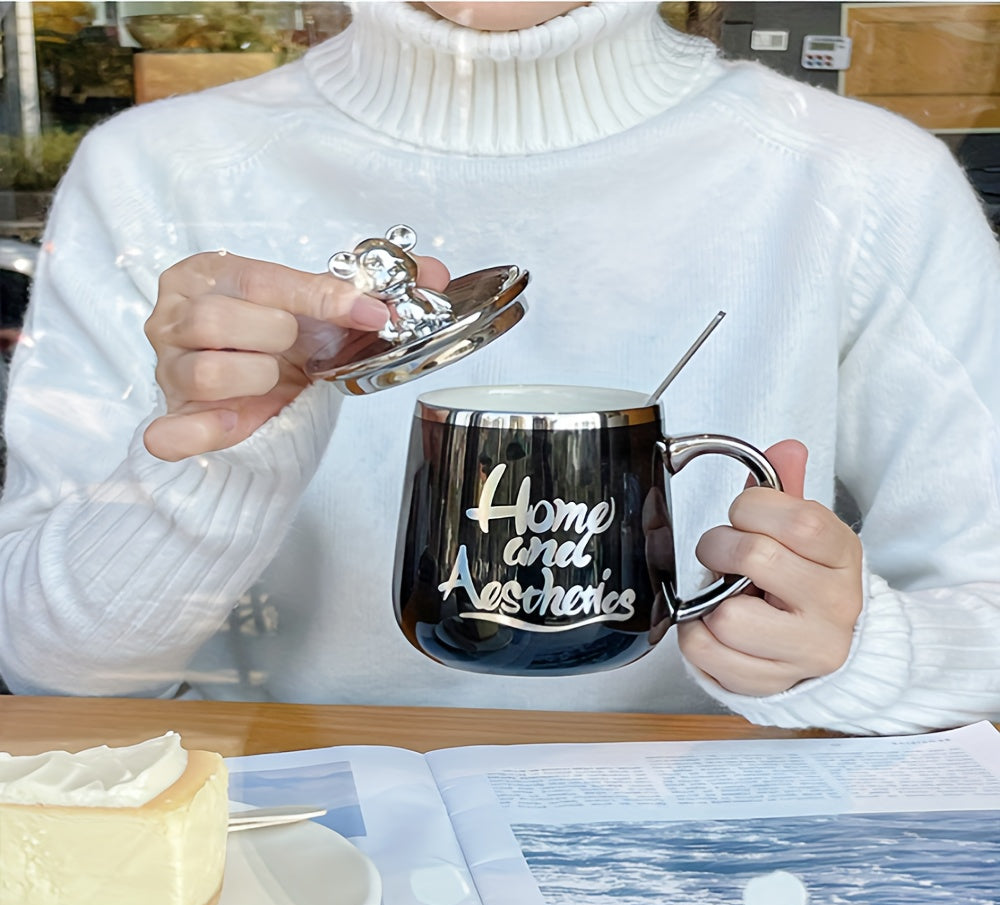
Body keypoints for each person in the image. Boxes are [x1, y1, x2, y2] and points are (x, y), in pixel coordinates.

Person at [0, 1, 997, 735]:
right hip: (265, 850)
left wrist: (860, 651)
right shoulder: (154, 172)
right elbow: (48, 670)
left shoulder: (864, 183)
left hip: (712, 870)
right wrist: (224, 458)